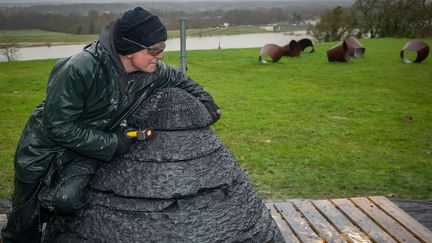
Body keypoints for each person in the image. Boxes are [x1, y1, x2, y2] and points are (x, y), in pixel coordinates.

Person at [0, 7, 220, 243]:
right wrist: (113, 143)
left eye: (162, 49)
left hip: (87, 150)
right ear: (129, 47)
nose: (160, 56)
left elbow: (182, 81)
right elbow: (57, 127)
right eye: (154, 50)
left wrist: (208, 107)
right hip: (43, 152)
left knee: (66, 201)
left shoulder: (153, 73)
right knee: (24, 225)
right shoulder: (80, 69)